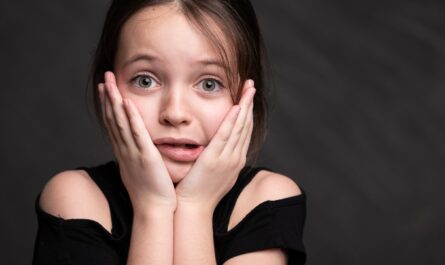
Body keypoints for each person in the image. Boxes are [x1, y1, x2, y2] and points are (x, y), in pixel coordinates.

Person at [32, 0, 306, 264]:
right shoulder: (75, 198)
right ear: (108, 88)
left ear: (247, 98)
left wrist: (194, 208)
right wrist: (153, 208)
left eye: (209, 84)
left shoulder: (266, 200)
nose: (175, 113)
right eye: (145, 80)